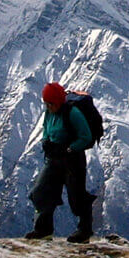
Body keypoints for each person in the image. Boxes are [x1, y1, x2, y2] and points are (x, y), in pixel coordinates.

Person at [25, 82, 97, 243]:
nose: (48, 107)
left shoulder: (73, 113)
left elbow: (85, 137)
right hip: (54, 158)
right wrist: (46, 141)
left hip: (73, 160)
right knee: (40, 192)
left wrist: (70, 149)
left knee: (77, 197)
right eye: (46, 104)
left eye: (51, 104)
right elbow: (46, 129)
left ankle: (84, 231)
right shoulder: (49, 113)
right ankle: (43, 230)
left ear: (58, 102)